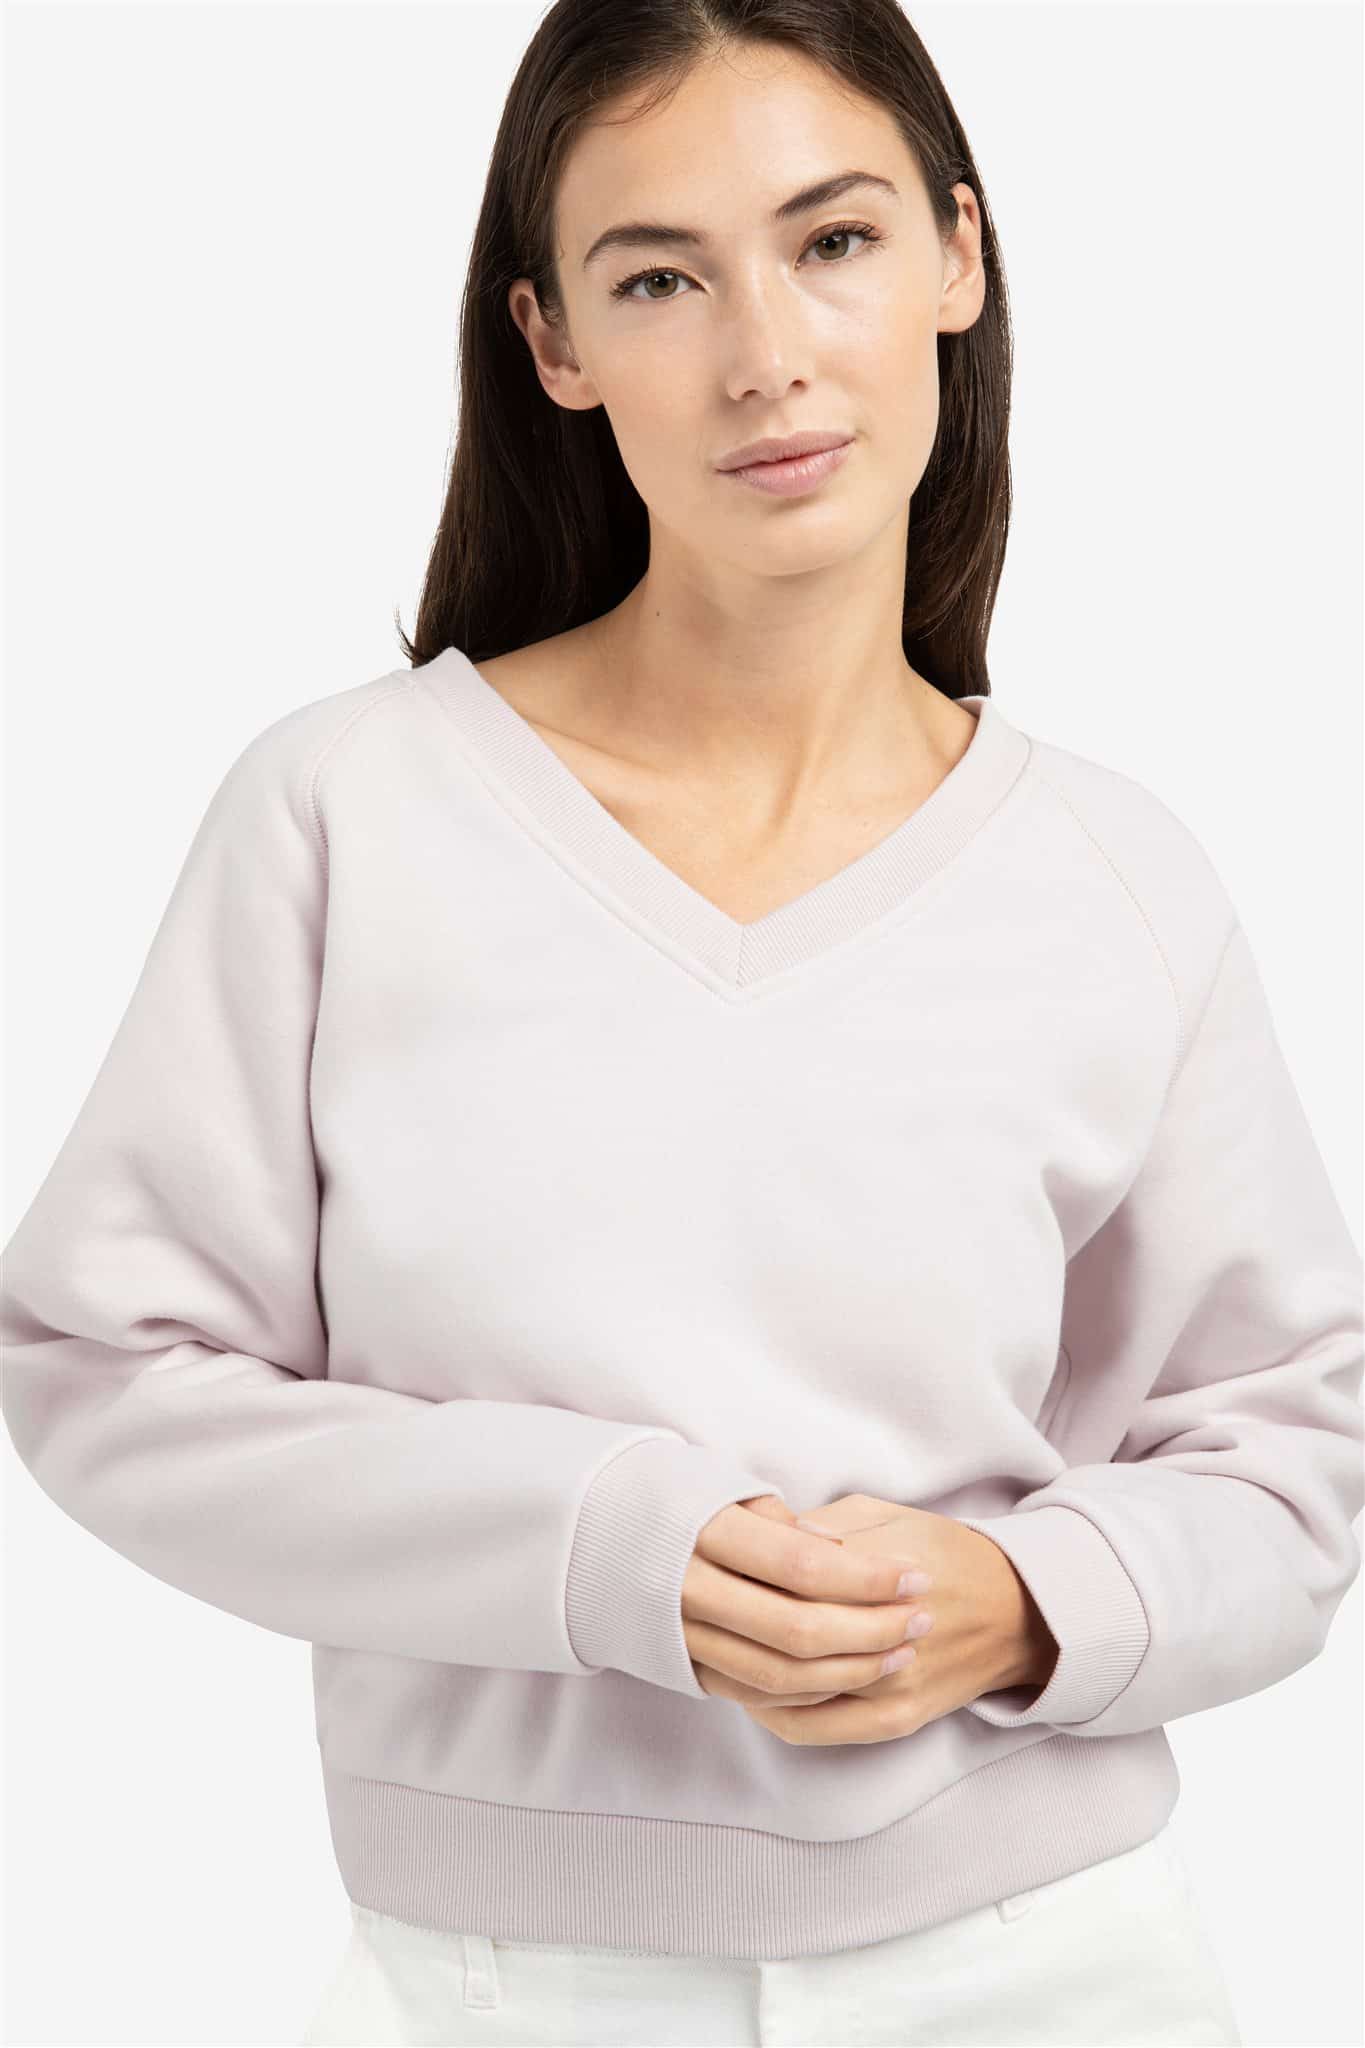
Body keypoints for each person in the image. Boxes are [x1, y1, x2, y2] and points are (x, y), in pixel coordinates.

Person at [3, 2, 1360, 2043]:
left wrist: (1025, 1602)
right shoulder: (348, 814)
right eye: (658, 278)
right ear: (551, 343)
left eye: (833, 241)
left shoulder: (1116, 876)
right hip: (489, 1989)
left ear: (956, 257)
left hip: (1060, 1969)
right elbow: (107, 1366)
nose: (763, 354)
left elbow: (1287, 1449)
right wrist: (605, 1547)